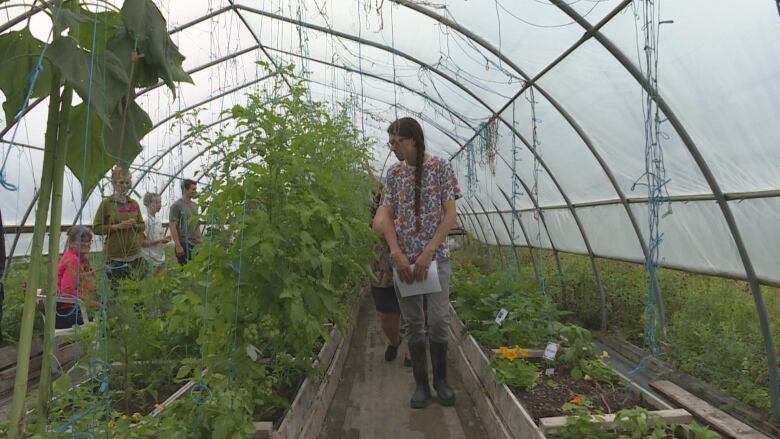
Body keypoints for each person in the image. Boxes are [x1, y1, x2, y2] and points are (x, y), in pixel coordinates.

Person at [373, 117, 462, 409]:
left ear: (413, 140)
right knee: (413, 324)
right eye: (391, 143)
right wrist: (397, 253)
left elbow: (450, 215)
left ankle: (441, 381)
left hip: (435, 260)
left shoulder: (440, 168)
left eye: (397, 142)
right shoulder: (394, 174)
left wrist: (429, 251)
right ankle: (422, 385)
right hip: (406, 265)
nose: (393, 147)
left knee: (437, 321)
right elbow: (385, 215)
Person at [93, 165, 146, 286]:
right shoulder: (107, 204)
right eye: (121, 182)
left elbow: (142, 226)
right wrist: (117, 227)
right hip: (115, 256)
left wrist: (134, 226)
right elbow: (96, 228)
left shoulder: (133, 203)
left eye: (127, 182)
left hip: (135, 253)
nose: (124, 185)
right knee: (118, 289)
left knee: (137, 287)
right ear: (114, 184)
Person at [56, 226, 96, 329]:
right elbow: (67, 292)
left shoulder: (79, 258)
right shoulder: (73, 260)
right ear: (71, 243)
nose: (86, 244)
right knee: (110, 314)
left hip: (71, 309)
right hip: (68, 312)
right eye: (82, 241)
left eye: (89, 242)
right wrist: (92, 303)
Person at [169, 179, 202, 265]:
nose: (195, 191)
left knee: (198, 271)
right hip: (185, 244)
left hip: (197, 243)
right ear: (185, 189)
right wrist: (178, 245)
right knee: (186, 272)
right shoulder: (176, 206)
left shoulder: (195, 205)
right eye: (193, 189)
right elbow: (173, 226)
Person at [141, 192, 171, 275]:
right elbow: (142, 243)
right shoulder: (145, 220)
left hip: (159, 256)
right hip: (149, 258)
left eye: (160, 202)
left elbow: (155, 237)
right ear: (148, 204)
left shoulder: (156, 219)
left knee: (162, 283)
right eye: (157, 202)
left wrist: (164, 239)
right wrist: (160, 240)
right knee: (153, 283)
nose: (160, 205)